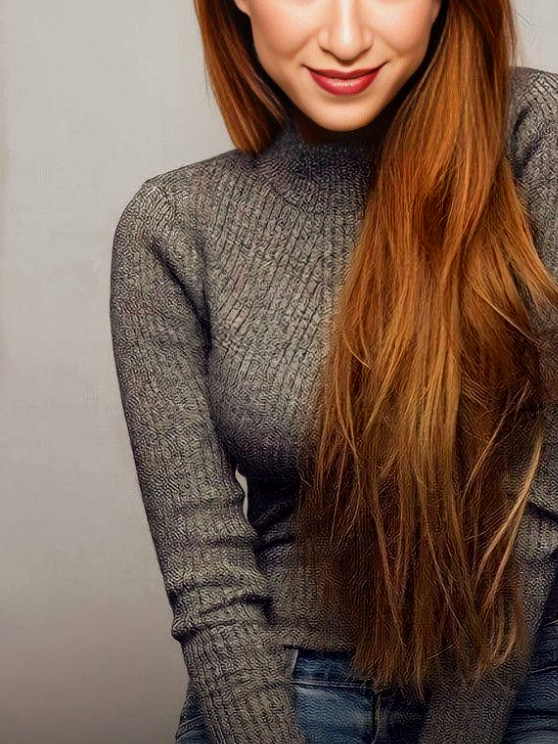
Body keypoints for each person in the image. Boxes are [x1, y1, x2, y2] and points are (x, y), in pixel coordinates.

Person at [108, 0, 558, 742]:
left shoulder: (534, 133)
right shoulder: (174, 225)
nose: (346, 39)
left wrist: (463, 729)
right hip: (277, 687)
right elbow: (206, 571)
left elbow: (540, 493)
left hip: (521, 681)